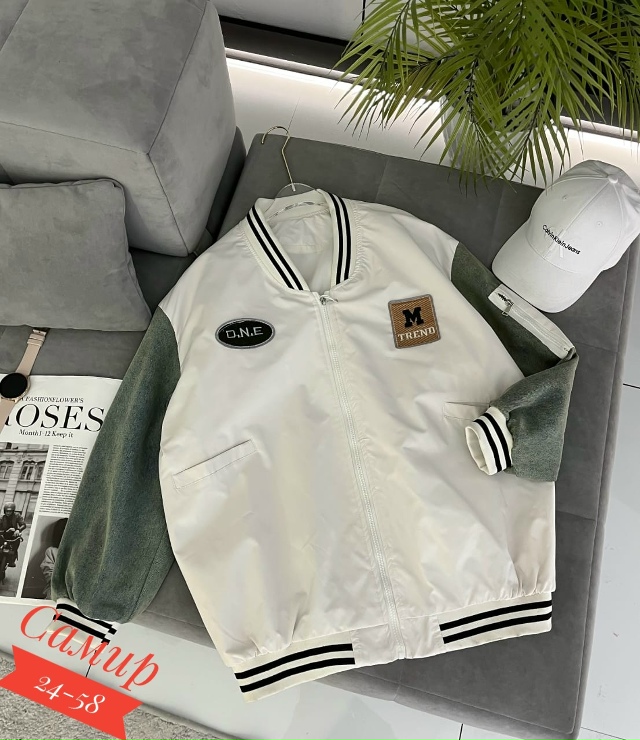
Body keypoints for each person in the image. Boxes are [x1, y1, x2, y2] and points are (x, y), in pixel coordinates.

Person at [0, 502, 26, 567]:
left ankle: (12, 560)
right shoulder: (2, 518)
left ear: (13, 511)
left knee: (16, 544)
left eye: (10, 511)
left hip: (14, 535)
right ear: (4, 511)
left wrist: (18, 530)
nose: (8, 513)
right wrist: (4, 531)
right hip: (4, 535)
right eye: (7, 511)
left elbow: (23, 524)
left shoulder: (17, 516)